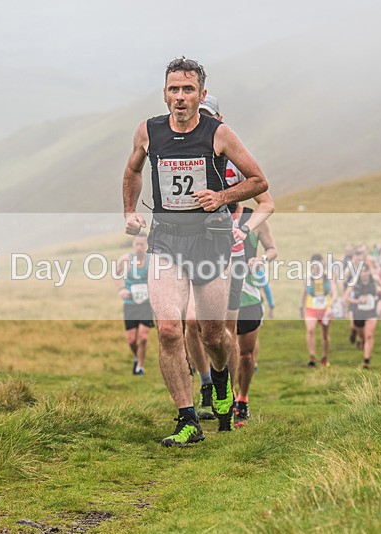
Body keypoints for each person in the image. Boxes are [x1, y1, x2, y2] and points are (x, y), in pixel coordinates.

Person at [122, 58, 269, 446]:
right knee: (169, 329)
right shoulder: (148, 131)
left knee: (213, 333)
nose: (181, 97)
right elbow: (133, 171)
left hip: (211, 240)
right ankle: (187, 419)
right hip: (166, 238)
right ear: (165, 93)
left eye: (188, 90)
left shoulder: (219, 133)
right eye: (174, 89)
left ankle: (220, 380)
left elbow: (258, 180)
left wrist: (221, 196)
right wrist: (129, 211)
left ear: (201, 95)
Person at [183, 94, 274, 422]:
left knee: (226, 333)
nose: (201, 120)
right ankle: (208, 383)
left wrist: (244, 229)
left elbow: (267, 201)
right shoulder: (184, 156)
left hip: (230, 259)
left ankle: (233, 397)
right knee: (191, 323)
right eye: (198, 114)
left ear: (219, 120)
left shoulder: (234, 161)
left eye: (208, 115)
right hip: (193, 252)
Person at [234, 213, 277, 426]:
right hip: (222, 295)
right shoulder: (216, 213)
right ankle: (228, 398)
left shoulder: (255, 219)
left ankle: (242, 399)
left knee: (246, 355)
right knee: (223, 352)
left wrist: (261, 259)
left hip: (249, 296)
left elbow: (272, 250)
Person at [114, 233, 154, 376]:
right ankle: (137, 357)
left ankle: (140, 367)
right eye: (137, 244)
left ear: (146, 245)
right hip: (130, 303)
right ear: (133, 245)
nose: (139, 247)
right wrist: (121, 289)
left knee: (142, 338)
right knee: (132, 340)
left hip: (146, 304)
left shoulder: (152, 261)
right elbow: (116, 273)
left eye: (142, 244)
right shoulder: (125, 260)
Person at [300, 254, 337, 367]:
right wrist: (300, 306)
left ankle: (324, 357)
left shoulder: (328, 276)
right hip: (311, 308)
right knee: (310, 330)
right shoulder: (307, 277)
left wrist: (330, 306)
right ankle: (312, 357)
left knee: (325, 334)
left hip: (325, 309)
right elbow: (304, 292)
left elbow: (334, 292)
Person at [344, 261, 381, 369]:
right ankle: (356, 333)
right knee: (363, 336)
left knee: (369, 335)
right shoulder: (354, 283)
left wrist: (379, 300)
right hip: (359, 313)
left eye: (366, 271)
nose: (364, 274)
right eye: (362, 272)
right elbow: (346, 298)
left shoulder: (374, 281)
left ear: (369, 272)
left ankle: (366, 362)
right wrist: (358, 301)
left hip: (371, 312)